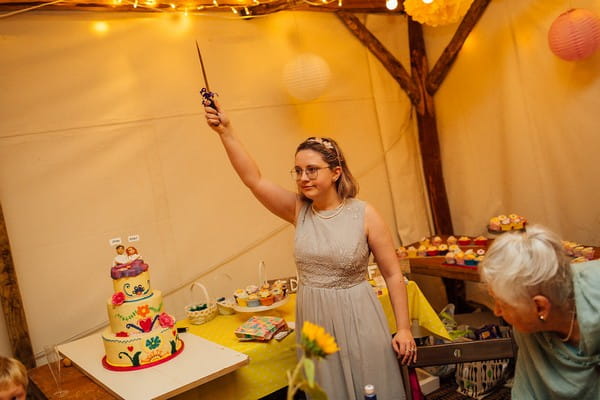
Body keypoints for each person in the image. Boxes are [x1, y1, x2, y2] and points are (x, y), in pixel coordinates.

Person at [204, 98, 416, 400]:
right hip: (314, 321)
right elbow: (254, 180)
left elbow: (393, 275)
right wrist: (226, 132)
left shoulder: (365, 215)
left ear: (336, 172)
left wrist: (404, 329)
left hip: (359, 317)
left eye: (312, 170)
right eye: (298, 170)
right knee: (327, 391)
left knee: (371, 387)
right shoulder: (298, 210)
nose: (303, 178)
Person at [480, 225, 600, 399]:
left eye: (503, 304)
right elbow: (527, 391)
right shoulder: (527, 327)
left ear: (540, 307)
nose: (496, 312)